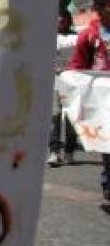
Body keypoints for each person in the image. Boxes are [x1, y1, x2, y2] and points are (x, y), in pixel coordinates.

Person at [67, 0, 110, 213]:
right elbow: (78, 64)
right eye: (105, 8)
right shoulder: (89, 35)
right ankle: (108, 185)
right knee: (108, 145)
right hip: (101, 97)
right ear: (98, 10)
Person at [48, 9, 79, 167]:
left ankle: (69, 152)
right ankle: (54, 152)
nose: (60, 22)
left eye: (63, 20)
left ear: (68, 20)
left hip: (73, 80)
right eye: (58, 20)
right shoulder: (48, 37)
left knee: (71, 118)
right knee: (54, 115)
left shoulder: (77, 37)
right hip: (55, 78)